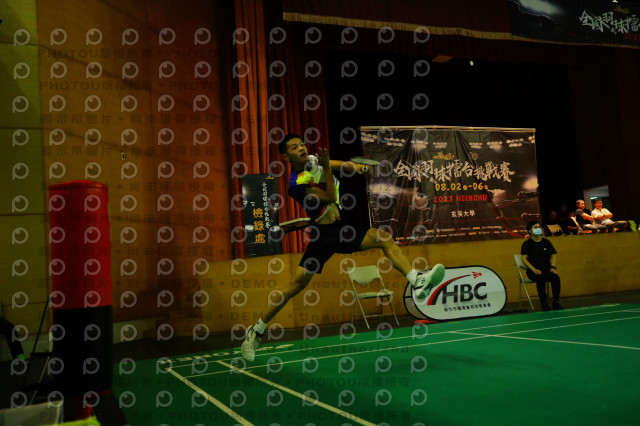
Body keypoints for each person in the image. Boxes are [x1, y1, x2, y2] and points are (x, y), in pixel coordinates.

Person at [240, 134, 446, 361]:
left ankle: (416, 279)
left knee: (384, 238)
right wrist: (327, 167)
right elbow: (329, 195)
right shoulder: (295, 185)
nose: (300, 148)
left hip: (341, 228)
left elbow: (338, 165)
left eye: (301, 144)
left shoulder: (313, 161)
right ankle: (256, 330)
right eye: (294, 147)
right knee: (294, 286)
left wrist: (355, 167)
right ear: (286, 156)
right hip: (322, 236)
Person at [520, 221, 563, 311]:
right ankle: (544, 303)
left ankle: (556, 301)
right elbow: (524, 259)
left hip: (547, 269)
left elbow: (553, 254)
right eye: (536, 227)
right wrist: (534, 270)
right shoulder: (527, 244)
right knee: (541, 278)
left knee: (555, 278)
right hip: (533, 271)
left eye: (539, 227)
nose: (538, 229)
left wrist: (553, 267)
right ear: (530, 231)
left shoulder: (546, 242)